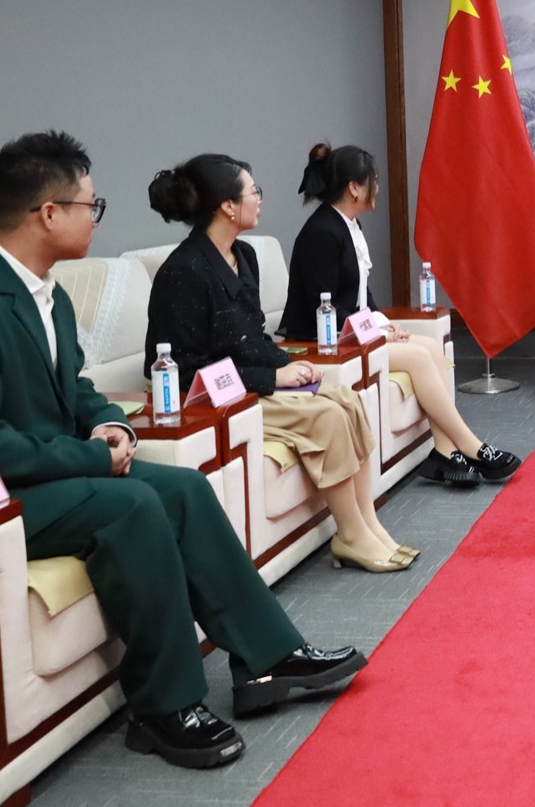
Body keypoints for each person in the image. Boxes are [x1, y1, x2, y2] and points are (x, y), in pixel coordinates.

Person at [0, 132, 363, 770]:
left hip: (28, 473)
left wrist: (114, 427)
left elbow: (76, 389)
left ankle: (268, 658)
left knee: (183, 488)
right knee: (130, 507)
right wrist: (91, 459)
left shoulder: (47, 294)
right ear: (49, 213)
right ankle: (164, 706)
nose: (96, 218)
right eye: (90, 206)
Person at [144, 153, 411, 574]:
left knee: (347, 398)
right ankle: (350, 535)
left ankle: (368, 523)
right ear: (228, 206)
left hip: (253, 384)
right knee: (327, 416)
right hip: (220, 403)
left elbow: (253, 337)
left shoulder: (244, 256)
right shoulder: (184, 271)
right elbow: (185, 371)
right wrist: (271, 377)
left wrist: (290, 366)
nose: (260, 199)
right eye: (254, 192)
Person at [283, 142, 521, 487]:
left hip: (350, 335)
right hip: (323, 344)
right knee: (418, 357)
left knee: (429, 347)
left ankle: (444, 451)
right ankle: (471, 446)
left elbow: (360, 296)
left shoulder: (348, 225)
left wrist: (384, 324)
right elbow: (325, 307)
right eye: (374, 180)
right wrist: (376, 331)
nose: (377, 187)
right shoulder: (322, 232)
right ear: (354, 188)